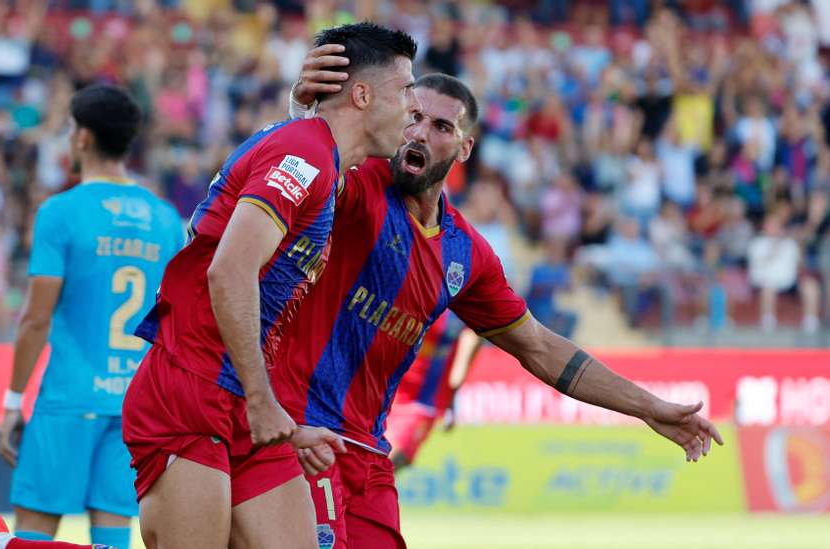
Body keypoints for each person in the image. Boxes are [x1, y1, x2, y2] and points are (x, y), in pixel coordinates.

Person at [281, 51, 723, 549]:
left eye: (440, 126)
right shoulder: (356, 188)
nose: (420, 133)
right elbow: (299, 169)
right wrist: (303, 114)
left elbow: (539, 347)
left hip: (368, 455)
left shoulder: (464, 253)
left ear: (464, 147)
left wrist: (649, 407)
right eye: (413, 117)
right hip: (303, 437)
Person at [121, 22, 418, 549]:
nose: (411, 110)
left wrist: (269, 409)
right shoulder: (304, 156)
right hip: (190, 385)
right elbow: (229, 271)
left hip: (242, 398)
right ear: (364, 94)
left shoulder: (320, 161)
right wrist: (262, 400)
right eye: (405, 92)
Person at [0, 85, 184, 549]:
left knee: (33, 536)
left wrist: (13, 400)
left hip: (68, 399)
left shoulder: (60, 211)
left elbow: (36, 319)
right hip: (134, 404)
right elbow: (175, 317)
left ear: (80, 138)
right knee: (113, 534)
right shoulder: (165, 218)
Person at [386, 312, 481, 471]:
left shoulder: (457, 307)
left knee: (387, 464)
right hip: (388, 394)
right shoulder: (410, 295)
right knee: (367, 460)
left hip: (423, 401)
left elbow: (472, 338)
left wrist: (454, 391)